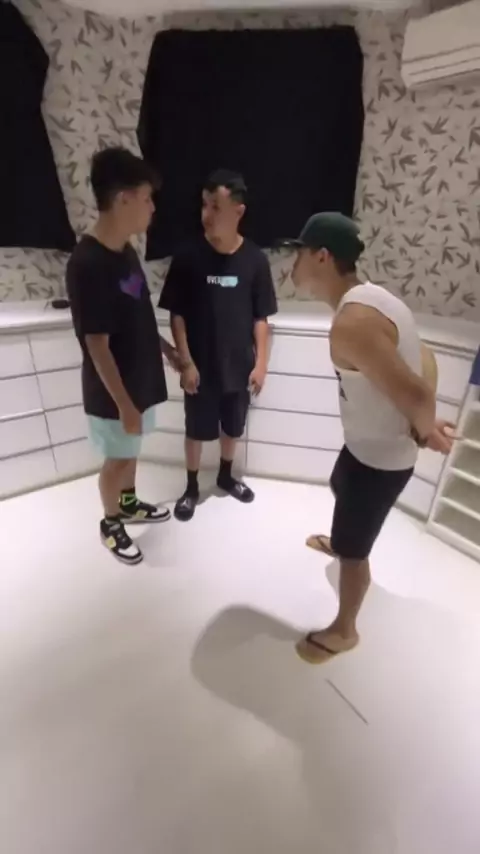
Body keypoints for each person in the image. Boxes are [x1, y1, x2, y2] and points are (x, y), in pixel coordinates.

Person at [285, 212, 456, 664]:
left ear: (322, 257)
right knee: (339, 485)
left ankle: (345, 629)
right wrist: (421, 421)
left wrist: (424, 428)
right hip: (365, 447)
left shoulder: (353, 323)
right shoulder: (373, 299)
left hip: (379, 460)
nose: (292, 262)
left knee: (354, 552)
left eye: (299, 253)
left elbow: (417, 392)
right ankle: (345, 538)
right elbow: (422, 356)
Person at [66, 147, 178, 565]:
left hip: (139, 379)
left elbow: (137, 312)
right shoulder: (87, 263)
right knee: (117, 459)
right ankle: (110, 523)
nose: (152, 208)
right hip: (114, 392)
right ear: (123, 199)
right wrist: (125, 405)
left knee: (131, 450)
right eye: (147, 198)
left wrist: (166, 350)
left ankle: (128, 503)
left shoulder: (126, 252)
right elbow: (96, 344)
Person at [159, 169, 278, 522]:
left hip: (239, 365)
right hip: (200, 365)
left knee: (233, 426)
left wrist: (261, 364)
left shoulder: (255, 260)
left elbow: (261, 318)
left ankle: (226, 476)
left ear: (238, 212)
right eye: (204, 205)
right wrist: (185, 362)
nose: (207, 215)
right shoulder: (188, 256)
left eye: (215, 207)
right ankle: (191, 487)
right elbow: (177, 315)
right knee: (196, 429)